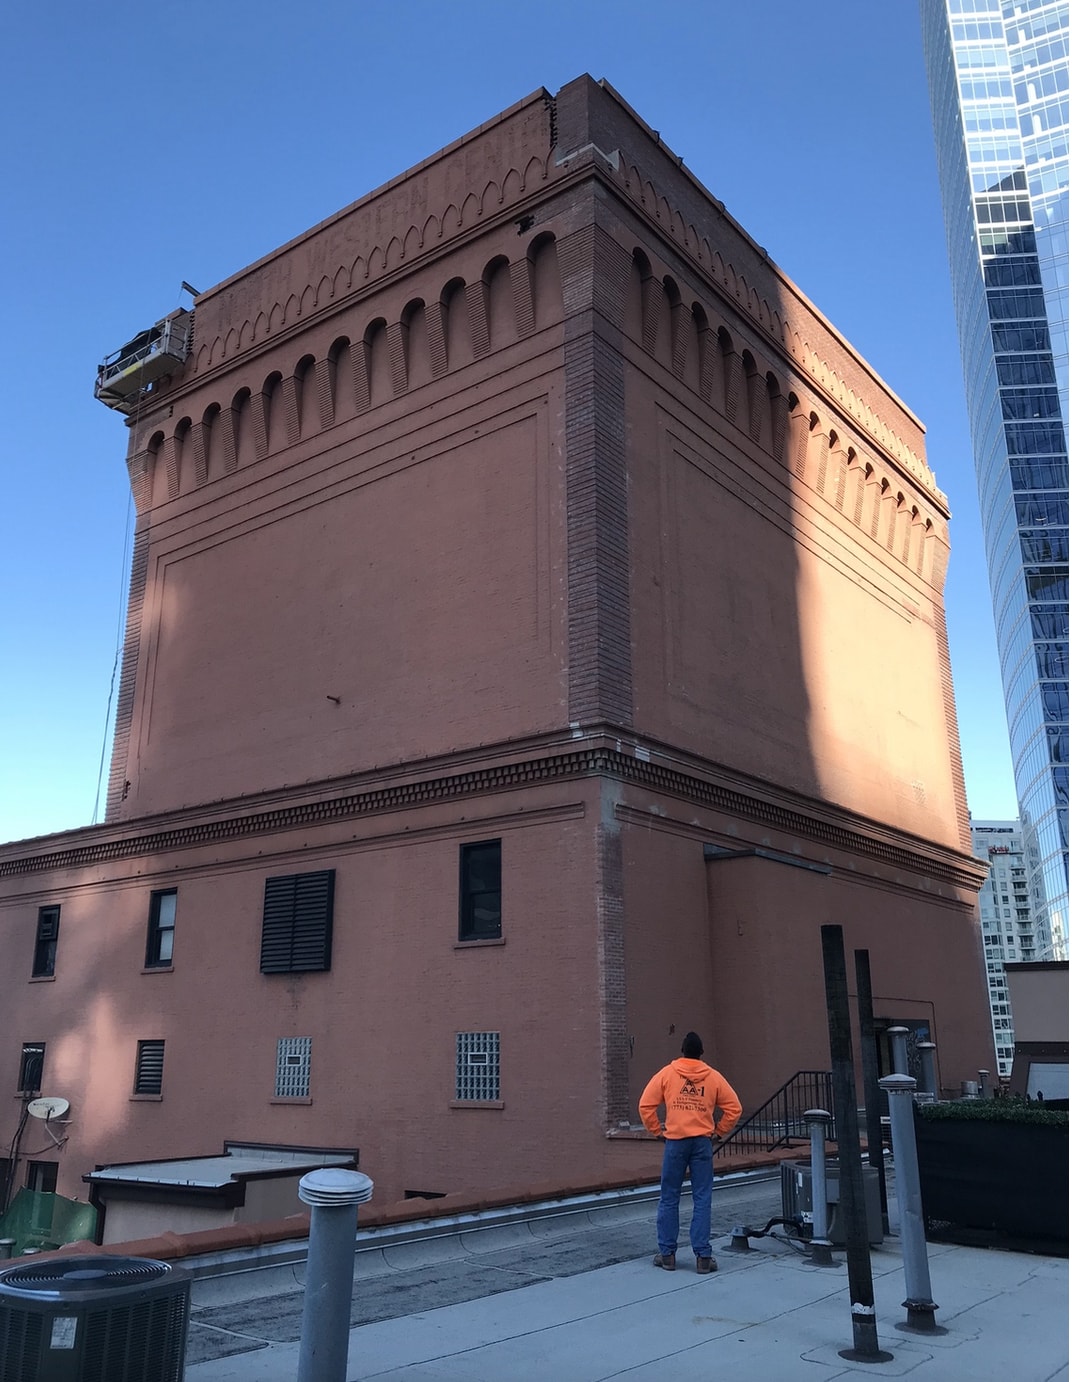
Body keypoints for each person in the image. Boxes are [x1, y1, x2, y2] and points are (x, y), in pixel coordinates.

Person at [638, 1031, 742, 1274]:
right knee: (702, 1198)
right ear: (701, 1053)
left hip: (675, 1142)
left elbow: (645, 1105)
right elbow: (734, 1108)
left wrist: (657, 1131)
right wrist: (719, 1132)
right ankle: (703, 1257)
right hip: (702, 1142)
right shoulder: (713, 1077)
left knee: (669, 1196)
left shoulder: (667, 1074)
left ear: (682, 1051)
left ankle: (667, 1255)